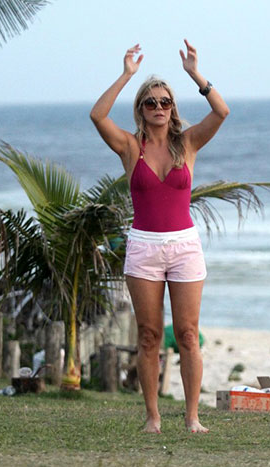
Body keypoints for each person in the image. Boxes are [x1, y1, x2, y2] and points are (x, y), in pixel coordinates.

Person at [90, 41, 229, 434]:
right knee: (149, 336)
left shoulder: (187, 143)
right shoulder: (130, 147)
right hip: (144, 248)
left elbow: (222, 111)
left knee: (187, 334)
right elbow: (97, 114)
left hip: (185, 247)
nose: (159, 108)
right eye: (150, 103)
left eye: (165, 102)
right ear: (141, 109)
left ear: (173, 106)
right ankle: (152, 417)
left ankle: (192, 417)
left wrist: (194, 74)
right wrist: (128, 75)